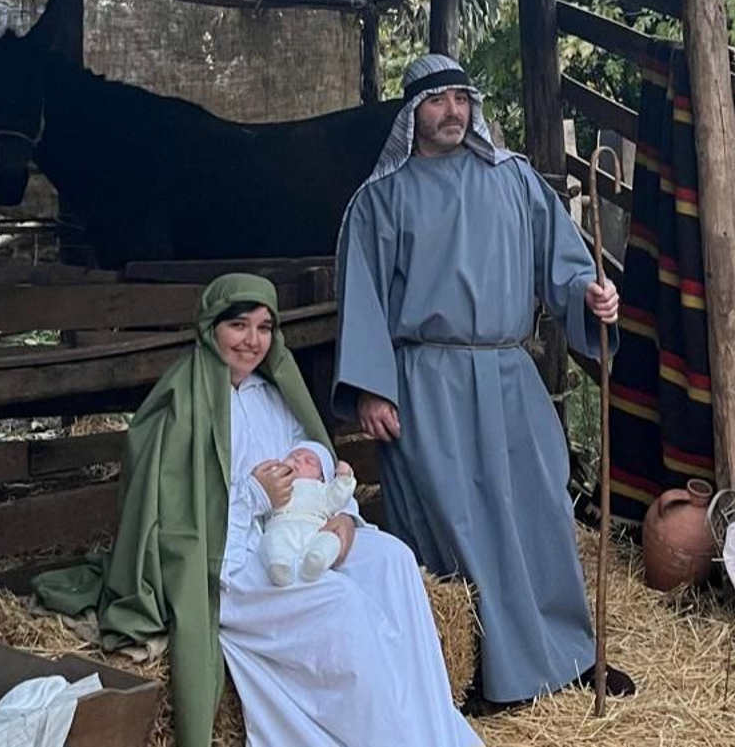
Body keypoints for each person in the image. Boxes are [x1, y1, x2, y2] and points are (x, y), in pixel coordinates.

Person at [34, 274, 479, 747]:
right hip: (230, 561)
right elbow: (174, 516)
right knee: (343, 606)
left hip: (298, 530)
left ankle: (431, 730)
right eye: (239, 326)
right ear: (210, 329)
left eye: (265, 328)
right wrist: (254, 496)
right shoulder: (180, 405)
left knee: (393, 561)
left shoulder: (271, 397)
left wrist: (345, 516)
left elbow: (314, 464)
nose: (253, 341)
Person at [333, 53, 634, 710]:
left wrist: (590, 296)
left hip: (507, 372)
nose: (453, 112)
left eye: (461, 98)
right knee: (453, 526)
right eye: (437, 101)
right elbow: (363, 299)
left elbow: (565, 266)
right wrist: (371, 386)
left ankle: (569, 653)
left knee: (544, 511)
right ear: (413, 113)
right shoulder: (380, 199)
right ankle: (480, 672)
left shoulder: (516, 181)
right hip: (425, 383)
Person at [260, 440, 356, 586]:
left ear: (322, 477)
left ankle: (317, 560)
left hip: (315, 528)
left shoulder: (321, 490)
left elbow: (338, 497)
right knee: (272, 539)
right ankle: (279, 564)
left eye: (309, 462)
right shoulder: (277, 485)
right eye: (293, 456)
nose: (298, 460)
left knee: (331, 539)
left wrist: (344, 478)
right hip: (281, 524)